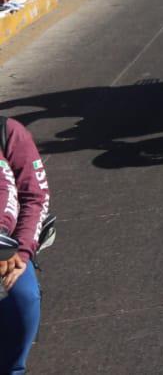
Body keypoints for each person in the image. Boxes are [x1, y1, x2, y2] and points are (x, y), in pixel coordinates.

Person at [0, 114, 51, 373]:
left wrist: (21, 250)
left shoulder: (9, 132)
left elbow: (35, 196)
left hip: (6, 248)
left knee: (22, 297)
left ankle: (12, 368)